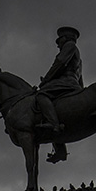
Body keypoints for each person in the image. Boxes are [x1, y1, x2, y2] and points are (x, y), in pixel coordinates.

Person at [35, 26, 83, 164]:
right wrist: (81, 90)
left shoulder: (69, 46)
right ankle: (60, 149)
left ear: (66, 38)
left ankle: (53, 124)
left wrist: (46, 80)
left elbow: (59, 64)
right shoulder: (78, 56)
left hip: (65, 82)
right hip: (72, 83)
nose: (57, 43)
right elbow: (80, 77)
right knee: (57, 110)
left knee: (41, 96)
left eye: (59, 39)